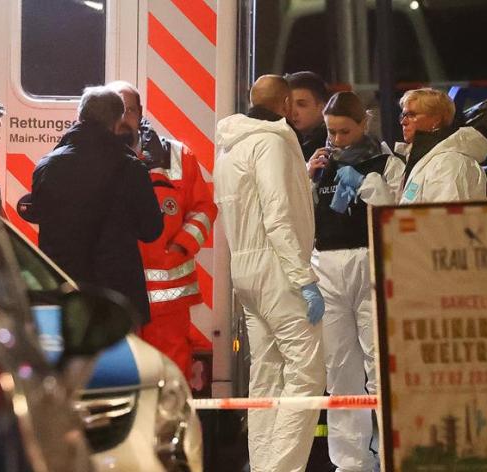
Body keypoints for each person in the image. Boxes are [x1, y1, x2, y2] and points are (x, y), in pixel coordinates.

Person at [213, 74, 326, 472]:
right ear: (284, 104)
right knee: (308, 373)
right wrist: (303, 279)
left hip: (244, 270)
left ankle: (263, 464)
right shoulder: (271, 143)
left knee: (266, 374)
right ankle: (281, 468)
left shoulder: (229, 149)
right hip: (277, 268)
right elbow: (278, 217)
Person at [306, 92, 405, 472]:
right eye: (331, 132)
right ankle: (350, 461)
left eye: (344, 132)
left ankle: (389, 453)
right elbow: (302, 216)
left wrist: (367, 183)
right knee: (340, 368)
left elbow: (393, 214)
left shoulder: (386, 162)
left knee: (378, 363)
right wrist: (308, 179)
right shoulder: (320, 162)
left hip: (370, 260)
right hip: (327, 263)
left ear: (363, 124)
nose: (336, 140)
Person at [106, 80, 217, 378]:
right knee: (119, 375)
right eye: (115, 110)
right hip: (113, 294)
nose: (121, 118)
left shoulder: (178, 156)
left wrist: (181, 245)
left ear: (140, 112)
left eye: (128, 110)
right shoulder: (93, 158)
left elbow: (204, 209)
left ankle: (169, 427)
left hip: (167, 298)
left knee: (170, 375)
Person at [29, 86, 163, 326]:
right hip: (117, 299)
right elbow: (151, 230)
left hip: (66, 295)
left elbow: (38, 214)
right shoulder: (131, 168)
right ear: (117, 120)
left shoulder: (47, 166)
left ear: (79, 116)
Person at [395, 88, 487, 203]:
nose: (403, 122)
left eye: (411, 115)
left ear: (436, 120)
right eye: (403, 115)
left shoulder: (449, 163)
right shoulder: (427, 159)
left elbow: (448, 217)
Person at [286, 71, 330, 161]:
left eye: (301, 104)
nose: (292, 112)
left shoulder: (330, 144)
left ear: (323, 108)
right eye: (288, 104)